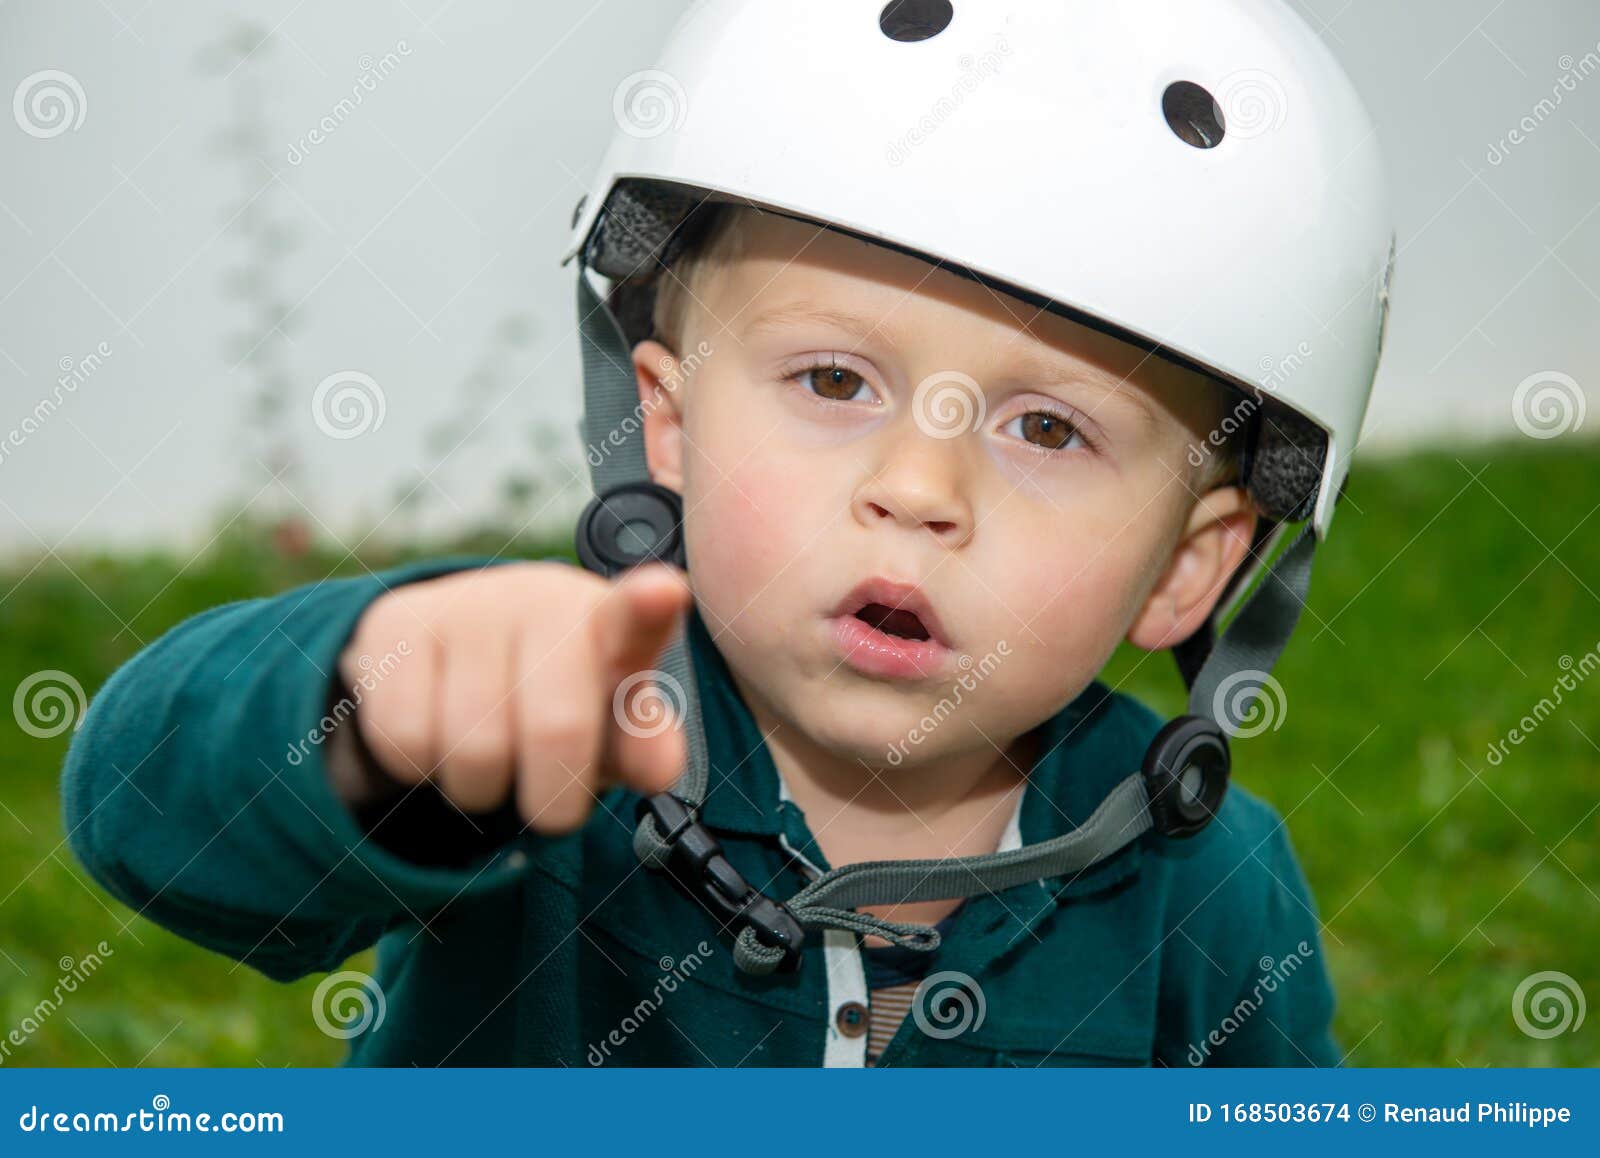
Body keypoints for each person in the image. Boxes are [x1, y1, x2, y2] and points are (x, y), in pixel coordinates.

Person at [62, 0, 1394, 1066]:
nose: (918, 486)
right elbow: (144, 816)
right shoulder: (558, 743)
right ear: (669, 423)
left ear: (1189, 566)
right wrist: (368, 710)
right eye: (832, 381)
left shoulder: (1208, 892)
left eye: (1047, 430)